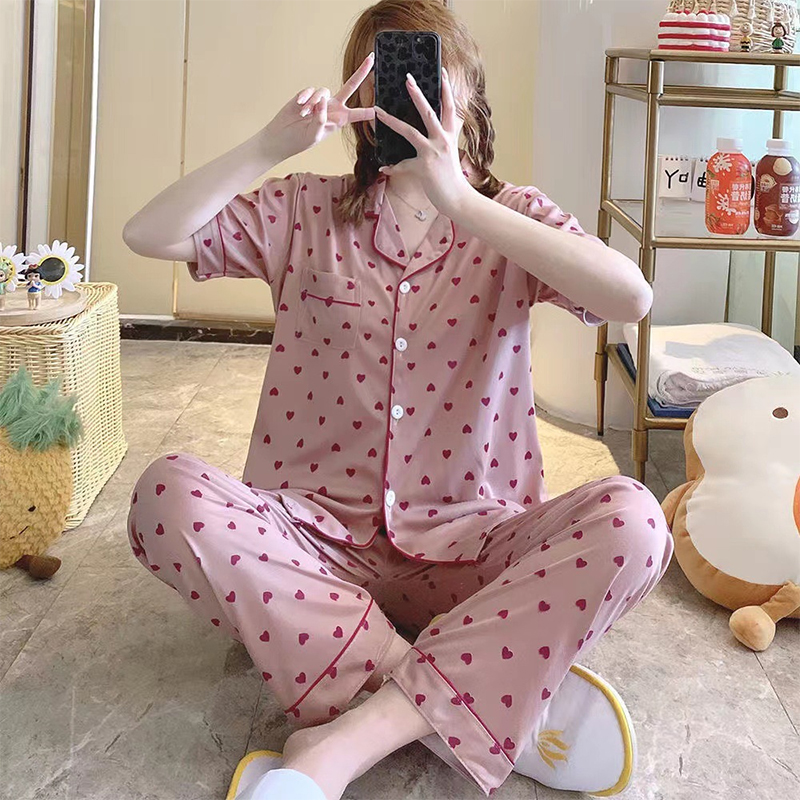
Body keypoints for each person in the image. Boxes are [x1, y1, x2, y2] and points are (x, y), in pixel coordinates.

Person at [122, 2, 673, 798]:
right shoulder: (303, 210)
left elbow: (631, 297)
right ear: (361, 98)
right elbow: (149, 234)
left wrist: (462, 202)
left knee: (635, 523)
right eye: (387, 75)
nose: (408, 93)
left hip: (473, 550)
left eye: (428, 73)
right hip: (313, 548)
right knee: (166, 495)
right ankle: (470, 697)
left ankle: (343, 742)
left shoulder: (512, 218)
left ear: (468, 92)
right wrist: (268, 146)